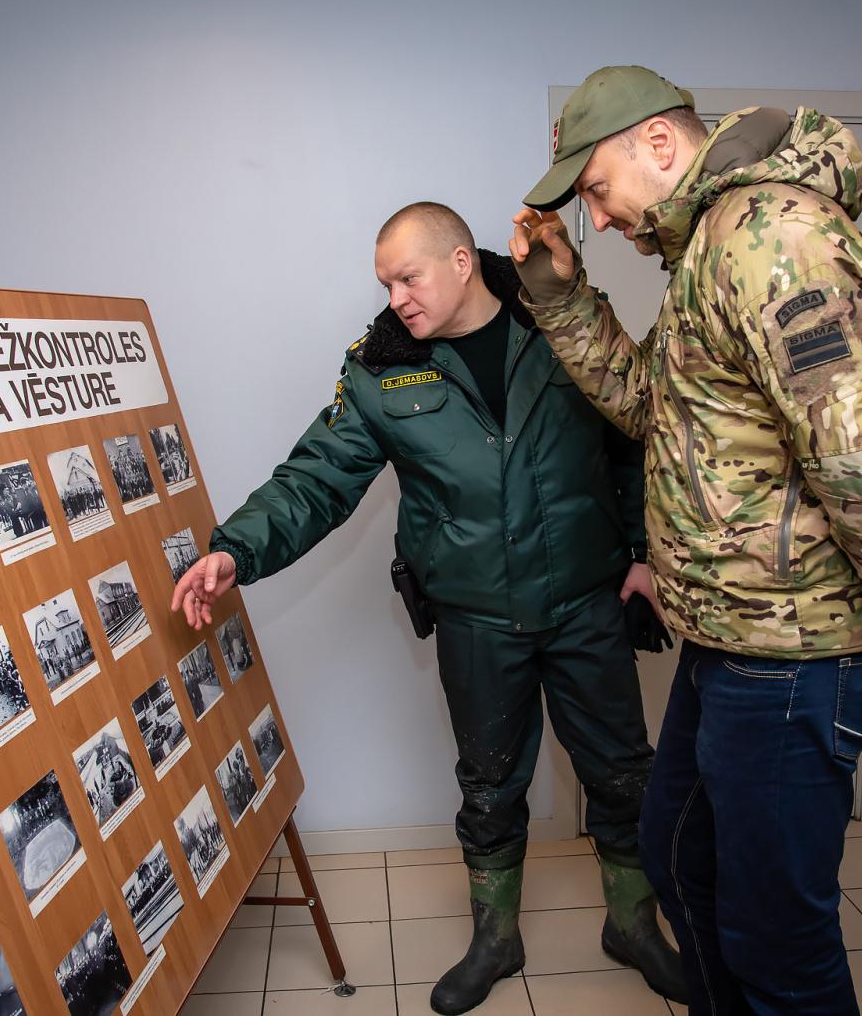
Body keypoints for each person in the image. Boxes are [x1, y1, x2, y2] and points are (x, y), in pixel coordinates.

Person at [510, 66, 862, 1014]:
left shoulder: (771, 240)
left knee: (776, 935)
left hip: (794, 652)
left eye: (596, 189)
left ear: (659, 146)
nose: (596, 217)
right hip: (730, 641)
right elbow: (649, 407)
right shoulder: (710, 247)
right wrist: (560, 295)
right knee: (681, 864)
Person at [171, 202, 687, 1013]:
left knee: (624, 776)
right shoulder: (382, 368)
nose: (395, 297)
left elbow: (632, 440)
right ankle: (495, 938)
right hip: (478, 618)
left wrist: (641, 555)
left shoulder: (561, 320)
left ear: (460, 262)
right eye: (384, 282)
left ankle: (634, 925)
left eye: (407, 277)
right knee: (487, 784)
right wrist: (236, 547)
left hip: (586, 602)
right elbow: (316, 477)